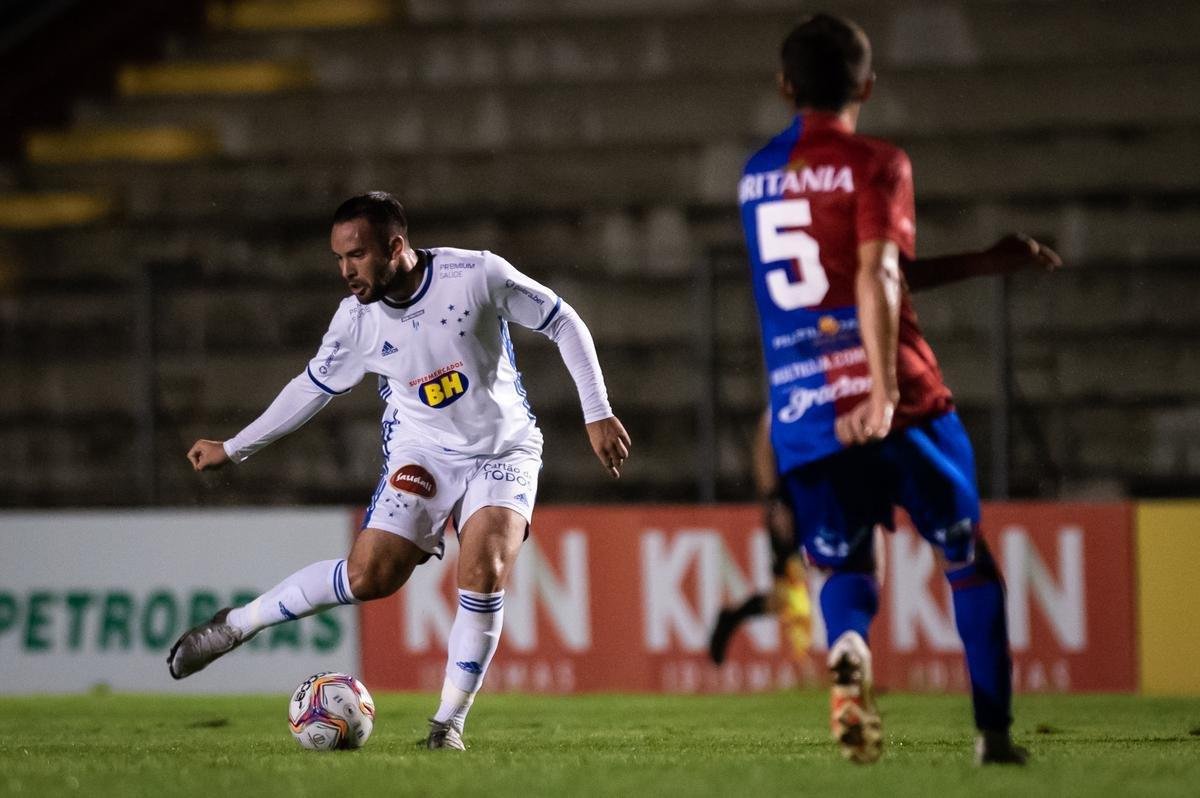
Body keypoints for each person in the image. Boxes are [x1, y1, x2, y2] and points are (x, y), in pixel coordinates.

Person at [168, 191, 631, 751]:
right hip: (422, 452)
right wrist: (235, 446)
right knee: (369, 578)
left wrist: (598, 410)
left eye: (356, 256)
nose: (346, 271)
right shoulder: (355, 322)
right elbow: (309, 390)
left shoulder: (475, 275)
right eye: (339, 259)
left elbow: (563, 321)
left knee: (482, 569)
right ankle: (239, 623)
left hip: (503, 450)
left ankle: (447, 726)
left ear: (395, 246)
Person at [737, 14, 1061, 765]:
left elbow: (854, 273)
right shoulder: (876, 162)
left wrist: (980, 262)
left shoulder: (758, 175)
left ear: (787, 86)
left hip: (806, 409)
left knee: (845, 566)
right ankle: (994, 735)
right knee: (965, 559)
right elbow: (878, 273)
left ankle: (849, 648)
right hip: (901, 401)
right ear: (867, 85)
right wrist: (882, 392)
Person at [708, 237, 1060, 667]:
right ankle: (988, 721)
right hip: (850, 443)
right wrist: (774, 499)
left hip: (827, 457)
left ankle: (845, 645)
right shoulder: (836, 321)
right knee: (937, 557)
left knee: (833, 576)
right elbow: (886, 274)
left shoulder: (803, 327)